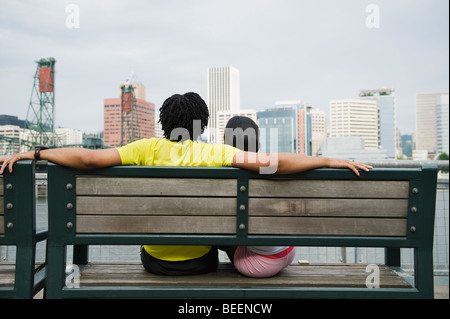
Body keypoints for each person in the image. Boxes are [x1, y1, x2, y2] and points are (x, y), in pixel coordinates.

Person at [0, 92, 372, 276]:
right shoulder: (215, 154)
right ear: (203, 124)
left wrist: (39, 153)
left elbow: (87, 158)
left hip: (154, 264)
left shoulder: (144, 149)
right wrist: (325, 159)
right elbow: (274, 163)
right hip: (201, 263)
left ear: (164, 121)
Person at [222, 116, 296, 278]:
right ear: (257, 142)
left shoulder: (223, 176)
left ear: (226, 142)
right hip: (289, 251)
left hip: (262, 264)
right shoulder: (271, 168)